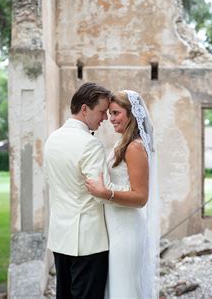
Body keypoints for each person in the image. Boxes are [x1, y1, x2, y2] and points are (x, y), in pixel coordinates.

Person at [44, 82, 130, 298]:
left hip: (60, 237)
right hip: (88, 242)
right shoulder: (90, 144)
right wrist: (133, 190)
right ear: (85, 109)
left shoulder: (51, 139)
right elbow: (101, 192)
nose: (104, 119)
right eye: (101, 112)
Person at [85, 90, 159, 299]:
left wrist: (106, 193)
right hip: (116, 230)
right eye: (109, 113)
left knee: (124, 290)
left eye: (116, 113)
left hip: (126, 231)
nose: (110, 118)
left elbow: (141, 197)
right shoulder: (122, 144)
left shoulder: (134, 147)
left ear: (131, 114)